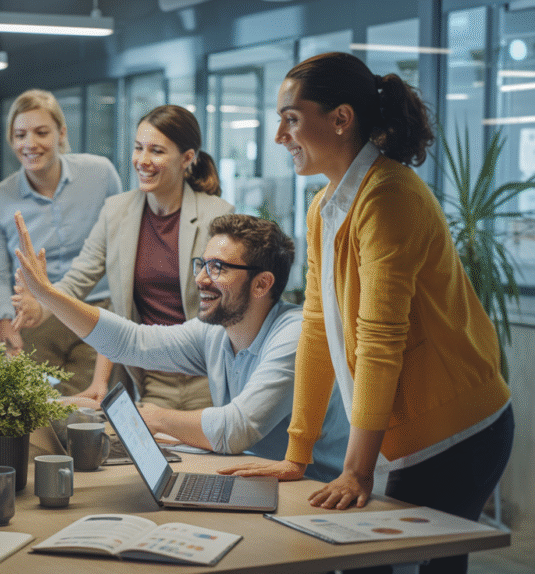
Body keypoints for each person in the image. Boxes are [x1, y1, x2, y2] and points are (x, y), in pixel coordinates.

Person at [218, 52, 513, 574]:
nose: (280, 137)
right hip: (409, 429)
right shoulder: (325, 205)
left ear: (340, 118)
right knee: (364, 555)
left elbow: (379, 340)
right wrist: (298, 453)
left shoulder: (389, 196)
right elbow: (315, 328)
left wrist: (355, 470)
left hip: (457, 429)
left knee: (398, 560)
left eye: (290, 118)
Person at [14, 212, 348, 481]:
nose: (201, 278)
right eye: (201, 265)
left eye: (218, 268)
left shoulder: (295, 335)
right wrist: (50, 297)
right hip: (258, 479)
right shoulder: (216, 333)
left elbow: (236, 428)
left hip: (320, 490)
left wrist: (154, 417)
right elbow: (130, 342)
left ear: (262, 284)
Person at [14, 104, 233, 410]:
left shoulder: (217, 216)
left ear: (187, 158)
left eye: (156, 151)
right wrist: (42, 305)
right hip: (153, 378)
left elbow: (231, 305)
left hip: (208, 374)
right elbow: (79, 279)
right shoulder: (116, 212)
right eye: (138, 148)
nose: (143, 161)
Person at [0, 89, 123, 395]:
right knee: (39, 413)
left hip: (95, 312)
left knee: (85, 413)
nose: (30, 144)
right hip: (36, 318)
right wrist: (4, 322)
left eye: (41, 132)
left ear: (61, 133)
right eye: (20, 135)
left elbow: (122, 251)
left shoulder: (101, 174)